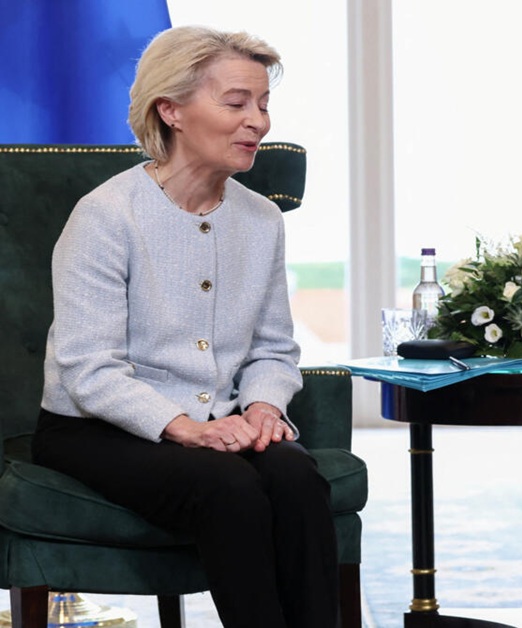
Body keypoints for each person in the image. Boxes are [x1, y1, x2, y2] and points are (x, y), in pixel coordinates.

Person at [32, 26, 338, 628]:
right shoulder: (106, 215)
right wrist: (183, 428)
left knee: (297, 477)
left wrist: (263, 409)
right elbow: (87, 367)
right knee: (229, 488)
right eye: (236, 102)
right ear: (169, 110)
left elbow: (274, 348)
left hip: (220, 418)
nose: (259, 121)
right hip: (94, 428)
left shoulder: (262, 219)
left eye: (264, 104)